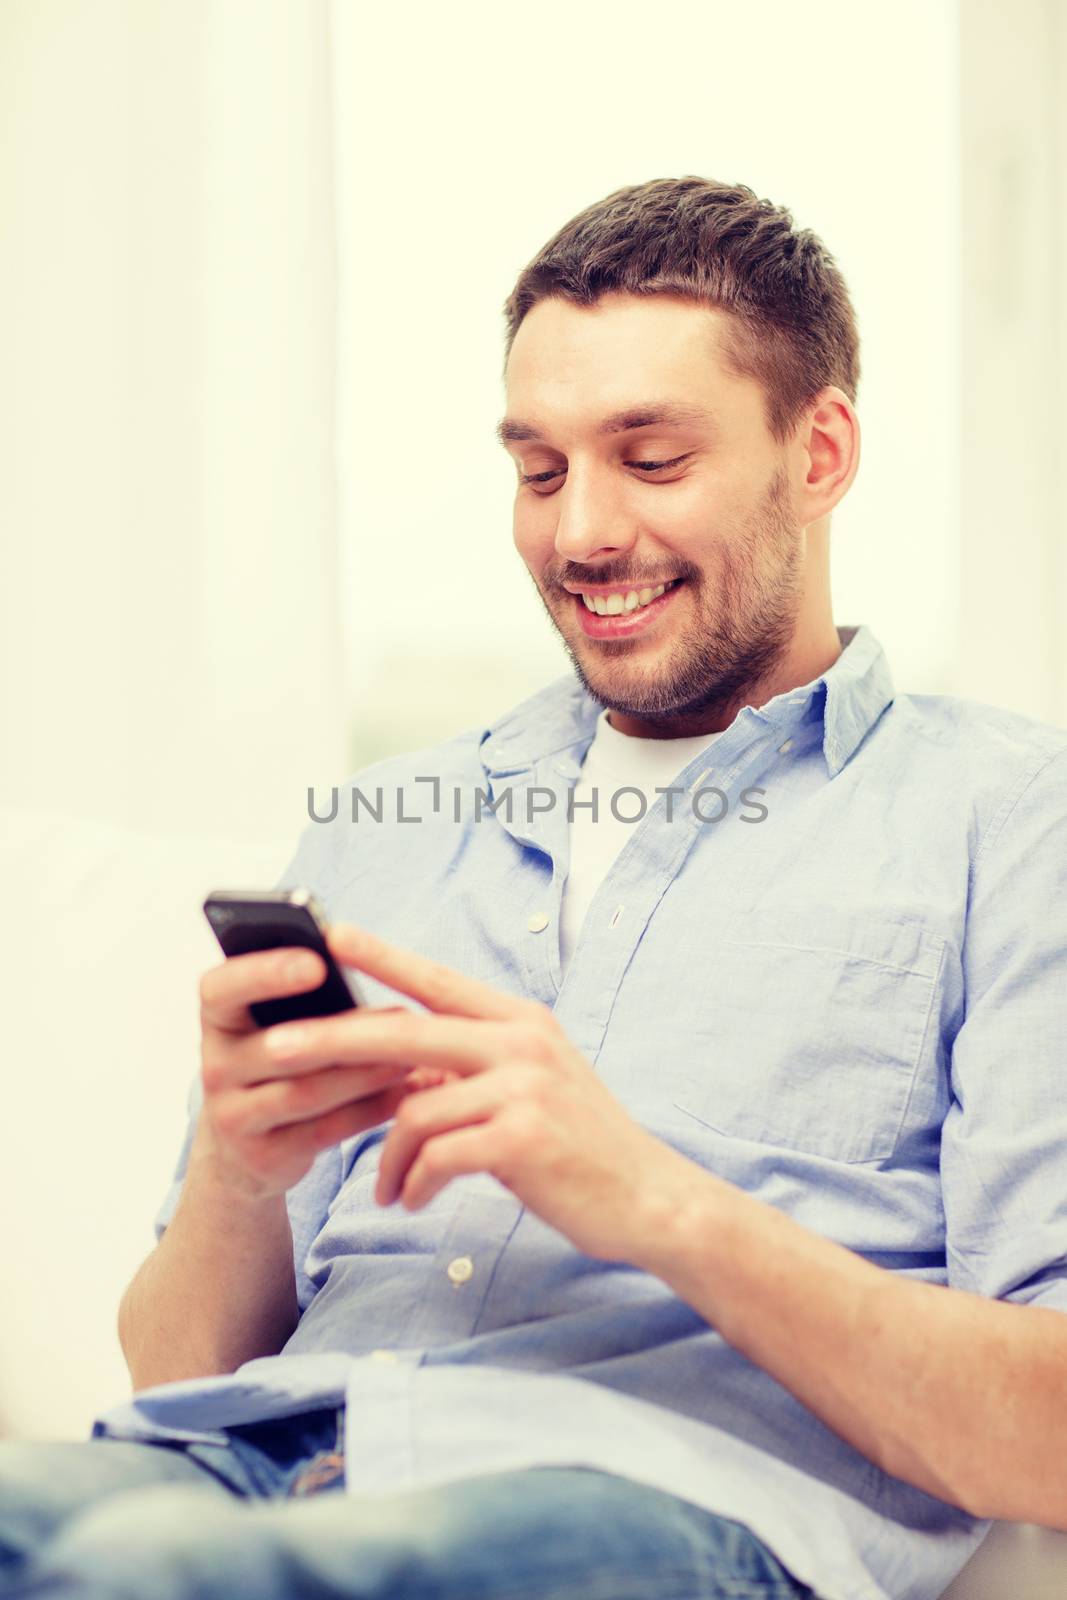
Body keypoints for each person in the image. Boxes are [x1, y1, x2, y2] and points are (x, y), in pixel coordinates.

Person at [2, 174, 1066, 1600]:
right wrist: (242, 1182)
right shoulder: (387, 822)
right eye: (542, 470)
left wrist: (645, 1195)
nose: (581, 537)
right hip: (237, 1457)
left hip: (653, 1500)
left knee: (158, 1574)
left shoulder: (1009, 818)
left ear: (818, 455)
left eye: (651, 458)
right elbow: (174, 1371)